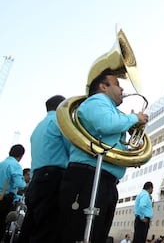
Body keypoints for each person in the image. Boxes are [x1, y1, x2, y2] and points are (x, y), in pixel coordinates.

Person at [57, 69, 149, 243]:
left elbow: (111, 137)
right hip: (90, 177)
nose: (122, 89)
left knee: (96, 234)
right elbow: (105, 125)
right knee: (81, 233)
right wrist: (133, 118)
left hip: (103, 179)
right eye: (117, 84)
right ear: (103, 87)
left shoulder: (109, 109)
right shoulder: (97, 101)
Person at [18, 95, 71, 243]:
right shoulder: (59, 122)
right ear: (62, 106)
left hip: (37, 180)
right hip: (52, 178)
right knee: (47, 229)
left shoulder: (38, 127)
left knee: (29, 227)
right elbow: (71, 147)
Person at [0, 144, 27, 242]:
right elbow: (20, 184)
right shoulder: (15, 165)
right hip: (5, 199)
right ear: (21, 155)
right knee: (2, 224)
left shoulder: (2, 163)